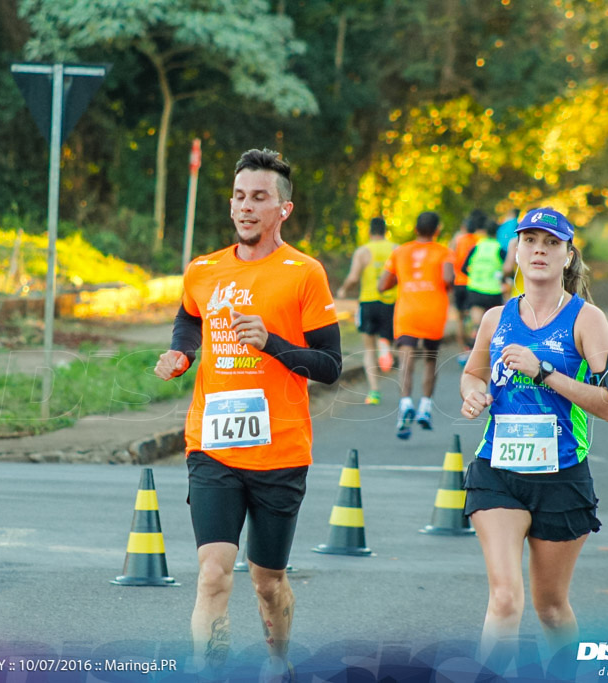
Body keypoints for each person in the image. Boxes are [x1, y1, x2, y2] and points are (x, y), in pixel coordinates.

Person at [154, 149, 341, 680]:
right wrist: (182, 354)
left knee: (266, 580)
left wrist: (273, 344)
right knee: (212, 574)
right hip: (212, 445)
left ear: (283, 209)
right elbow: (188, 318)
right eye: (239, 196)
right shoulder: (204, 269)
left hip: (280, 452)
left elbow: (329, 365)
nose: (245, 207)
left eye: (259, 197)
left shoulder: (304, 274)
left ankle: (277, 663)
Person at [458, 207, 608, 671]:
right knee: (506, 599)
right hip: (498, 470)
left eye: (551, 243)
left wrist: (545, 371)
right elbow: (472, 375)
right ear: (516, 251)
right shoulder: (496, 317)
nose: (539, 250)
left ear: (568, 256)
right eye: (530, 240)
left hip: (562, 476)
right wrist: (475, 396)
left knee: (550, 608)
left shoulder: (588, 319)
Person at [379, 211, 454, 439]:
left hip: (407, 312)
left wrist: (401, 279)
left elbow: (383, 284)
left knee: (406, 361)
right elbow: (449, 279)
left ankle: (404, 405)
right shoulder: (445, 252)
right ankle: (425, 407)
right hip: (433, 311)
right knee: (430, 360)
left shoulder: (399, 252)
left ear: (415, 229)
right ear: (437, 230)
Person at [337, 216, 397, 405]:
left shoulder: (363, 251)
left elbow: (354, 277)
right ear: (385, 231)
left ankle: (374, 392)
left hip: (368, 302)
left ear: (370, 231)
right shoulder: (396, 249)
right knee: (387, 337)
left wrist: (344, 290)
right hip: (391, 302)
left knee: (368, 348)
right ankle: (386, 349)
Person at [461, 218, 507, 343]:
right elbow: (507, 270)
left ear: (485, 231)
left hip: (475, 290)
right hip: (493, 292)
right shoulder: (500, 249)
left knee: (476, 326)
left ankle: (470, 349)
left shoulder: (476, 247)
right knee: (493, 328)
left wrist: (475, 276)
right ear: (497, 232)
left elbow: (463, 267)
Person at [451, 209, 487, 355]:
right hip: (473, 283)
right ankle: (473, 348)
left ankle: (462, 351)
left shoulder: (457, 240)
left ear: (464, 228)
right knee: (473, 317)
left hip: (458, 282)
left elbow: (451, 258)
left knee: (459, 318)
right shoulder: (479, 241)